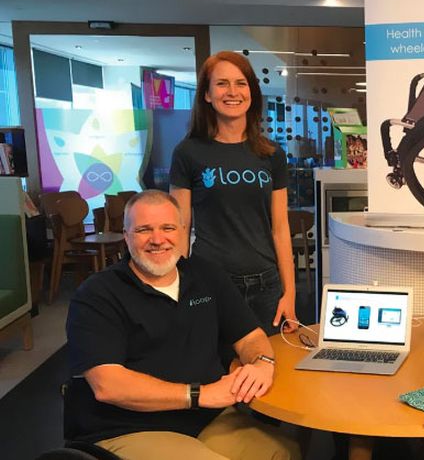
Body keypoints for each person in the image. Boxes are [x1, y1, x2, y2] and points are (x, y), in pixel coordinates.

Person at [65, 190, 300, 459]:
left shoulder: (207, 275)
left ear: (183, 232)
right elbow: (108, 385)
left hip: (206, 418)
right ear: (126, 236)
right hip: (128, 428)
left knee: (284, 452)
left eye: (168, 228)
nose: (157, 239)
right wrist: (199, 394)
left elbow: (250, 336)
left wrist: (262, 363)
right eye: (144, 230)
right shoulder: (98, 294)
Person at [170, 51, 296, 336]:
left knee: (269, 361)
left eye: (241, 83)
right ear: (206, 94)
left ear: (251, 92)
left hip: (266, 285)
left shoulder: (272, 154)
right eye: (221, 84)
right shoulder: (188, 153)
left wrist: (289, 293)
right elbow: (180, 227)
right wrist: (179, 287)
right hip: (211, 282)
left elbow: (280, 229)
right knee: (213, 360)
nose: (232, 92)